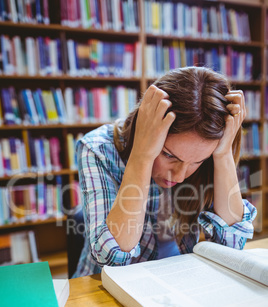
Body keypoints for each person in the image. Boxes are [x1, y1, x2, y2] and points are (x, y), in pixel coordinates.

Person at [73, 66, 256, 277]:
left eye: (197, 161)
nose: (178, 176)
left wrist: (223, 155)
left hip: (176, 281)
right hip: (103, 288)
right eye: (169, 155)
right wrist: (142, 154)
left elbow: (232, 245)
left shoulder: (212, 154)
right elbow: (112, 258)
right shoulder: (97, 148)